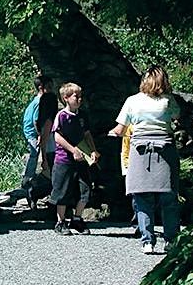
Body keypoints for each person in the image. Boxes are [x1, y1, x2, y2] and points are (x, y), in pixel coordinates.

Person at [109, 65, 181, 254]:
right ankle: (171, 239)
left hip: (139, 152)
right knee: (169, 198)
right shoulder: (168, 100)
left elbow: (120, 130)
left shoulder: (132, 101)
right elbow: (177, 117)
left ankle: (147, 241)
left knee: (142, 198)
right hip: (165, 151)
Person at [52, 82, 100, 234]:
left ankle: (77, 219)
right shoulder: (61, 116)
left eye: (80, 96)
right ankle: (60, 222)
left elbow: (87, 134)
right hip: (64, 160)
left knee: (85, 189)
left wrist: (92, 150)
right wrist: (73, 150)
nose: (79, 99)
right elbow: (57, 136)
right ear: (66, 98)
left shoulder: (83, 116)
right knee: (63, 191)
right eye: (75, 96)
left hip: (82, 161)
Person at [20, 75, 53, 195]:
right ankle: (28, 178)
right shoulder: (40, 101)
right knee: (34, 153)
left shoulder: (37, 99)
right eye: (49, 87)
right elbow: (35, 120)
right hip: (32, 132)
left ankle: (29, 177)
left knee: (34, 153)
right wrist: (40, 134)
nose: (51, 89)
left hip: (30, 130)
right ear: (41, 87)